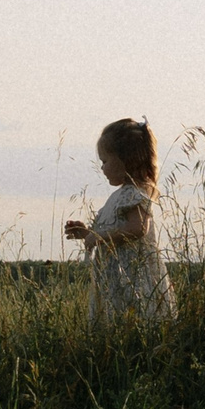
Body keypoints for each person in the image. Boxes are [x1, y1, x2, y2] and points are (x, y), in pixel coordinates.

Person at [63, 117, 175, 323]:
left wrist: (100, 237)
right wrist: (88, 233)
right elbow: (116, 231)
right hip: (117, 279)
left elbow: (138, 228)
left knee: (137, 320)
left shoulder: (134, 194)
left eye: (105, 161)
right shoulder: (121, 195)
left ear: (126, 160)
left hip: (134, 279)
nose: (102, 168)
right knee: (116, 322)